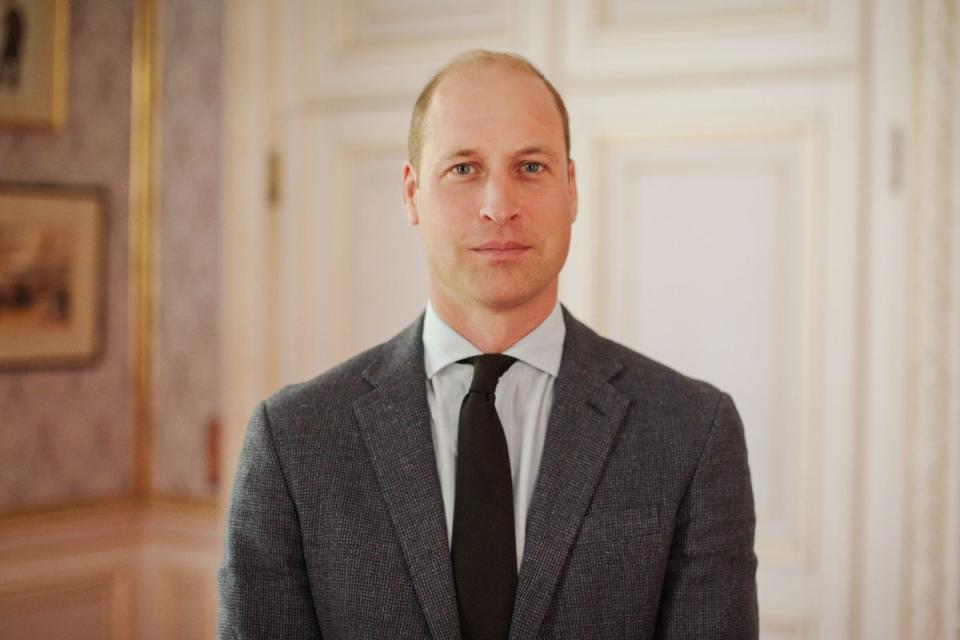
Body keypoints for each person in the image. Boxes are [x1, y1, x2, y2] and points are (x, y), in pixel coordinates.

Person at [218, 50, 758, 640]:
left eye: (530, 167)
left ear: (571, 189)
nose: (499, 206)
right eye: (463, 169)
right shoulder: (293, 439)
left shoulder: (693, 432)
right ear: (411, 193)